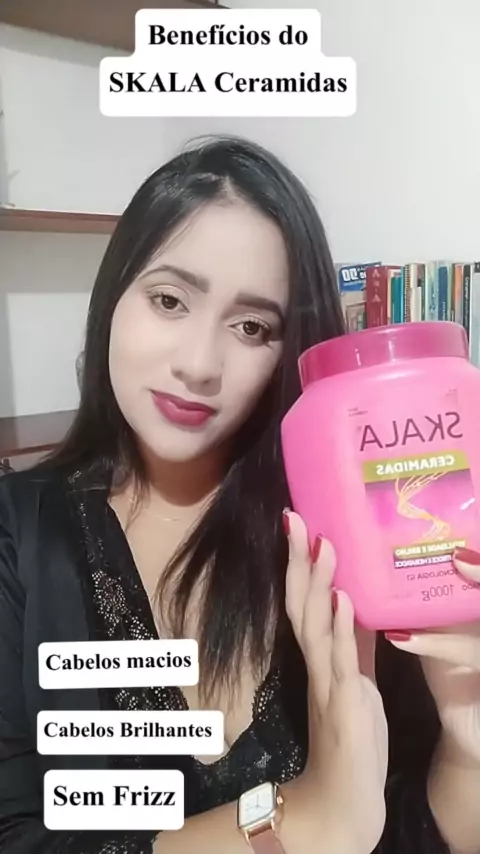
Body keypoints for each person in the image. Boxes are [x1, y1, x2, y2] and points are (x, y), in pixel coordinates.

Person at [0, 135, 479, 854]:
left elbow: (417, 826)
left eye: (252, 327)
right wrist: (304, 819)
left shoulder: (340, 540)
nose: (199, 365)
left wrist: (469, 746)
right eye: (169, 300)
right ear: (112, 297)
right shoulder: (19, 536)